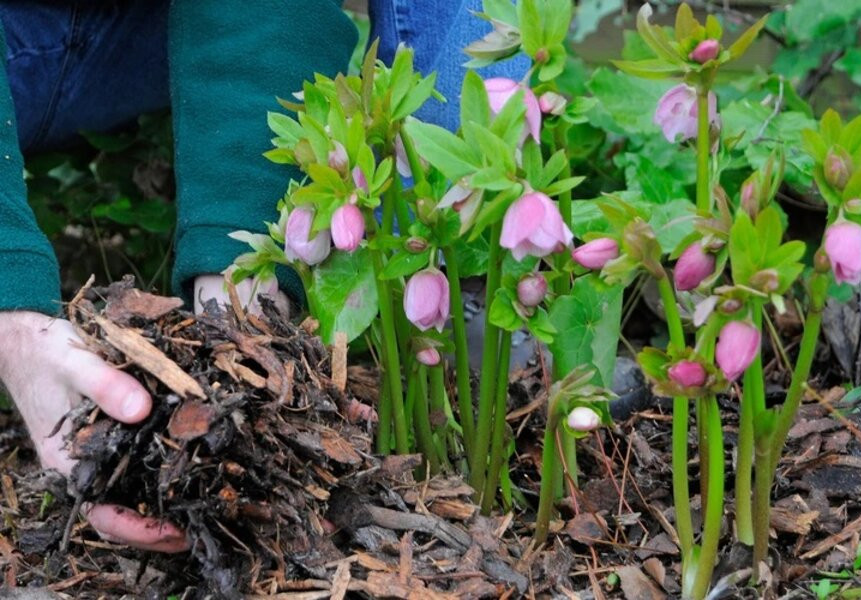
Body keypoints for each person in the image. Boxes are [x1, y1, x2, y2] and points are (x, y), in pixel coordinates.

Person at [0, 1, 525, 553]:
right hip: (23, 43)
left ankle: (453, 250)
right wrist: (12, 310)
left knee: (448, 144)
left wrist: (243, 287)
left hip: (142, 30)